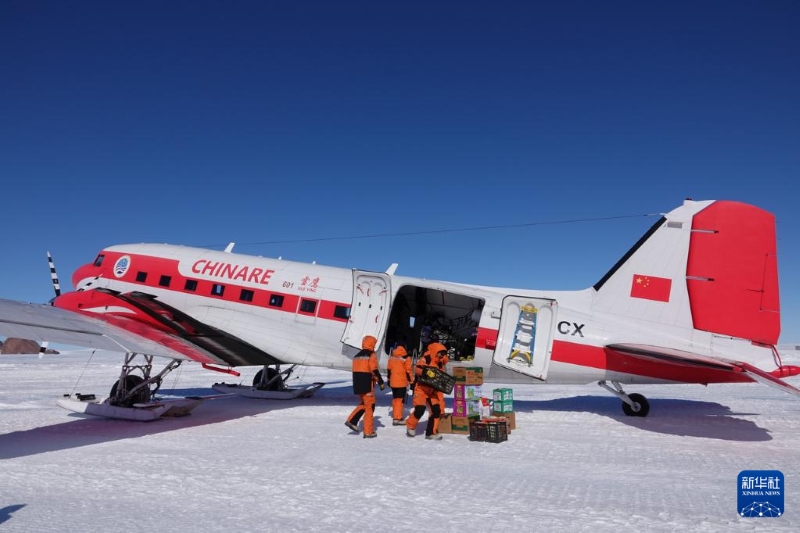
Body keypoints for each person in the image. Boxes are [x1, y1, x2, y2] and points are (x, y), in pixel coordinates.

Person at [405, 341, 449, 440]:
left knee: (436, 410)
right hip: (421, 389)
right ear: (436, 351)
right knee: (420, 409)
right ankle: (410, 425)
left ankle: (431, 433)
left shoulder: (440, 363)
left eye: (444, 354)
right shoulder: (425, 359)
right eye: (441, 353)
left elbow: (441, 375)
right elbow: (417, 369)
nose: (442, 356)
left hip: (432, 391)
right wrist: (427, 372)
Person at [345, 335, 385, 438]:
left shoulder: (357, 356)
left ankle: (352, 421)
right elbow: (374, 370)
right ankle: (368, 431)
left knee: (364, 404)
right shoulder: (371, 355)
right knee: (370, 407)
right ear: (372, 344)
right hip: (367, 385)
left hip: (358, 385)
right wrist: (380, 382)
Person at [387, 344, 413, 425]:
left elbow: (389, 370)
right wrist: (411, 381)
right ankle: (397, 418)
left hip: (393, 382)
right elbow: (408, 371)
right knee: (399, 400)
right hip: (401, 382)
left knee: (395, 399)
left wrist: (389, 380)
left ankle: (396, 415)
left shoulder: (392, 357)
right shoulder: (406, 358)